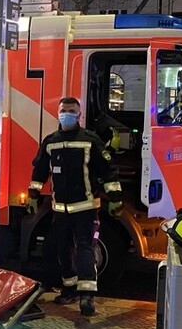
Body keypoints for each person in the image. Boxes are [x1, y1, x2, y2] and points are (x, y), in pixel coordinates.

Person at [28, 97, 123, 316]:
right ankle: (69, 289)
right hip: (60, 209)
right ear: (58, 113)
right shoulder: (50, 141)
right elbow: (40, 169)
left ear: (79, 115)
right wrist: (33, 194)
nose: (67, 114)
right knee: (62, 250)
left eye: (71, 111)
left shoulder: (90, 140)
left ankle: (87, 297)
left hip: (86, 208)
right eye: (63, 110)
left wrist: (115, 198)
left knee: (85, 249)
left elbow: (108, 170)